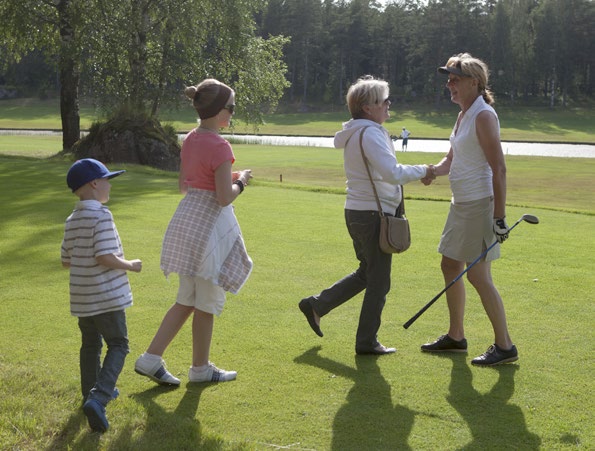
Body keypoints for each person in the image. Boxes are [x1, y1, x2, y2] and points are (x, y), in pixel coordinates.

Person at [298, 75, 434, 355]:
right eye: (384, 101)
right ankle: (366, 342)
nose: (388, 106)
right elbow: (392, 173)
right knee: (379, 282)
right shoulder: (371, 133)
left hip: (358, 212)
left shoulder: (358, 132)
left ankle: (317, 305)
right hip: (372, 214)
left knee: (367, 274)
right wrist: (424, 170)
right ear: (367, 107)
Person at [135, 79, 253, 385]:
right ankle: (200, 368)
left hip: (187, 220)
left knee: (187, 298)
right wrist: (242, 182)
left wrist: (227, 177)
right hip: (209, 227)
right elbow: (224, 196)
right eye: (231, 108)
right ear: (218, 110)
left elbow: (184, 184)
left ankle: (151, 359)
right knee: (206, 301)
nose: (232, 114)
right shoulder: (220, 145)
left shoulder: (191, 138)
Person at [419, 53, 517, 366]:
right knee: (450, 264)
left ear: (474, 82)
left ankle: (505, 345)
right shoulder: (464, 114)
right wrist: (432, 170)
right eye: (448, 79)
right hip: (460, 204)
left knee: (477, 275)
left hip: (480, 204)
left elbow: (499, 169)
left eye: (455, 79)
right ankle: (456, 336)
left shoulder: (483, 116)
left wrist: (499, 217)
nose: (449, 85)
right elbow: (452, 160)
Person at [61, 158, 143, 432]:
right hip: (106, 297)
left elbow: (66, 260)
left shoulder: (72, 220)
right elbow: (105, 256)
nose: (110, 185)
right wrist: (130, 264)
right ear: (94, 184)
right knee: (118, 344)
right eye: (107, 180)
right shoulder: (102, 216)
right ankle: (99, 397)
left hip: (83, 298)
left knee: (91, 345)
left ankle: (91, 392)